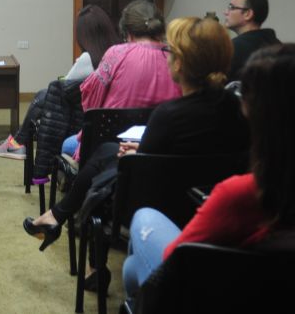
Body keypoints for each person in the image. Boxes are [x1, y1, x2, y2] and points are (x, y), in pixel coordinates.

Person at [24, 17, 250, 288]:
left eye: (170, 51)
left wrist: (135, 155)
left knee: (100, 174)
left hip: (156, 202)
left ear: (179, 63)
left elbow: (144, 173)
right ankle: (56, 217)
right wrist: (142, 150)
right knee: (107, 150)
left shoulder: (169, 115)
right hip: (206, 195)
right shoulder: (236, 108)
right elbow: (193, 151)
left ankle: (85, 252)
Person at [122, 43, 295, 300]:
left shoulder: (244, 193)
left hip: (214, 296)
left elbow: (175, 266)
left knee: (143, 225)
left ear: (256, 113)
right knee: (132, 267)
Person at [0, 4, 121, 160]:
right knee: (43, 96)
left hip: (80, 118)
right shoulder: (117, 53)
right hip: (107, 116)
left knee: (44, 96)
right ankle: (19, 142)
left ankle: (18, 143)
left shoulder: (87, 59)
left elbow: (64, 89)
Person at [61, 0, 181, 159]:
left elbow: (91, 101)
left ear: (127, 31)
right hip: (161, 147)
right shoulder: (177, 59)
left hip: (110, 142)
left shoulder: (116, 54)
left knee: (67, 144)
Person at [224, 0, 280, 80]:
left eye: (231, 7)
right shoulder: (277, 44)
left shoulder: (233, 48)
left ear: (247, 14)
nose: (225, 12)